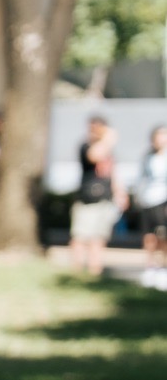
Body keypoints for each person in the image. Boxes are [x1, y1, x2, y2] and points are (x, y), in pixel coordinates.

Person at [70, 116, 124, 278]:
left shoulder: (108, 150)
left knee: (98, 238)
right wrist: (108, 140)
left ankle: (95, 272)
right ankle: (77, 271)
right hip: (87, 199)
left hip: (104, 199)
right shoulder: (86, 146)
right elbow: (94, 156)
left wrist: (120, 192)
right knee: (80, 236)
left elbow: (112, 172)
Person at [135, 125, 167, 281]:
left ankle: (163, 267)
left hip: (163, 201)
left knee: (162, 235)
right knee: (149, 236)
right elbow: (141, 178)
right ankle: (150, 267)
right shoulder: (148, 157)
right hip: (148, 201)